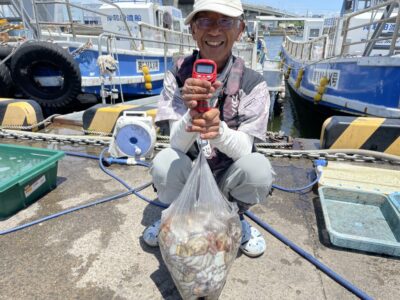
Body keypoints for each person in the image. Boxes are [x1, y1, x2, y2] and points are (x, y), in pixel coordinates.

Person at [143, 0, 274, 258]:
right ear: (193, 29)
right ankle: (175, 216)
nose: (214, 30)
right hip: (190, 172)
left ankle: (235, 219)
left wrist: (219, 131)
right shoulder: (176, 76)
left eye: (225, 21)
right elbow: (176, 145)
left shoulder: (254, 84)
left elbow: (245, 149)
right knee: (163, 163)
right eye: (205, 21)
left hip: (226, 176)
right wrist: (192, 115)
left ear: (240, 30)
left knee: (259, 170)